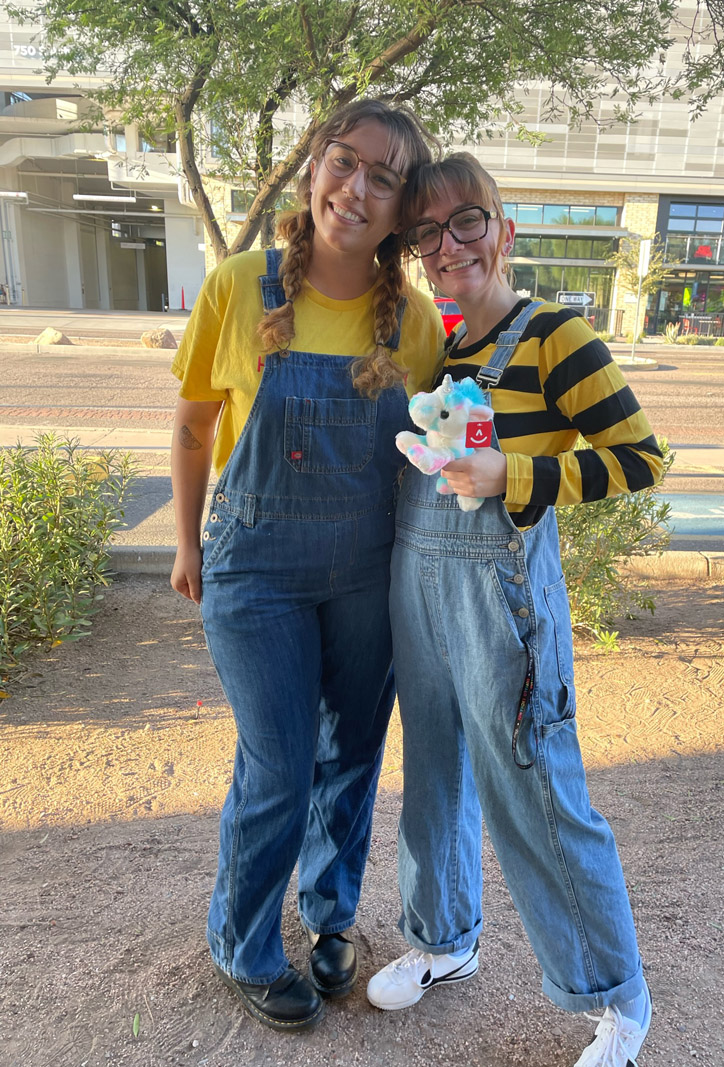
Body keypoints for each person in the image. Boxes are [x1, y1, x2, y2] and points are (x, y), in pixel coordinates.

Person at [366, 153, 664, 1067]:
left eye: (466, 222)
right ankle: (444, 939)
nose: (447, 245)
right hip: (419, 589)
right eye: (427, 232)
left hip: (504, 596)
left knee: (536, 784)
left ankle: (617, 994)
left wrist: (515, 473)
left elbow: (641, 458)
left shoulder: (556, 336)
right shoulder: (444, 351)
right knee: (435, 770)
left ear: (503, 229)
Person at [169, 99, 443, 1033]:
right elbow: (194, 422)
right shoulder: (239, 285)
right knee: (278, 764)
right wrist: (186, 541)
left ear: (401, 209)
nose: (356, 189)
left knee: (352, 753)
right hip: (255, 572)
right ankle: (242, 941)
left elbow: (436, 448)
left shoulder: (413, 322)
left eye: (384, 178)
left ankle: (331, 913)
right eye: (343, 161)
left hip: (370, 571)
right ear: (314, 166)